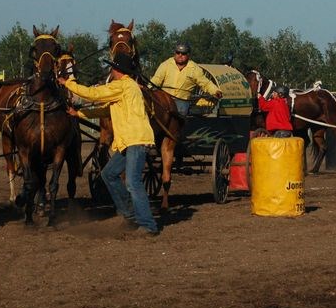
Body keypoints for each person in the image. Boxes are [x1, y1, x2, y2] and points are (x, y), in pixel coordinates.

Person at [58, 52, 159, 236]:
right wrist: (79, 114)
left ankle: (148, 225)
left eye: (111, 68)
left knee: (132, 182)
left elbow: (92, 93)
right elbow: (105, 110)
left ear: (116, 70)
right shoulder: (125, 88)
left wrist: (68, 84)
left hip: (135, 140)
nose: (110, 71)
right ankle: (130, 216)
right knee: (109, 174)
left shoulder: (122, 86)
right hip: (128, 142)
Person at [150, 42, 223, 116]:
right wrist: (147, 88)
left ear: (188, 55)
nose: (180, 55)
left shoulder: (194, 69)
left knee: (179, 114)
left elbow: (205, 83)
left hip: (182, 101)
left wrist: (215, 91)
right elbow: (156, 79)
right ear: (174, 53)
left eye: (183, 53)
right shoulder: (166, 65)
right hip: (165, 98)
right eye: (178, 53)